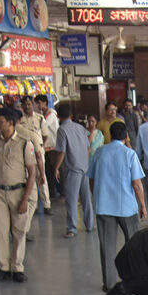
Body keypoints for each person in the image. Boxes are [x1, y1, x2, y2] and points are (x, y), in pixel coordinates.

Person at [87, 120, 148, 291]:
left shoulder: (99, 153)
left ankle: (109, 283)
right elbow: (136, 184)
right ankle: (135, 279)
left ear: (110, 135)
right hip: (126, 208)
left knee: (107, 246)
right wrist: (142, 205)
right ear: (126, 136)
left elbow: (91, 179)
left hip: (104, 206)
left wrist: (97, 195)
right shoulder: (129, 154)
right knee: (133, 245)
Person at [0, 108, 36, 283]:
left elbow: (32, 173)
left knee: (19, 231)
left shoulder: (25, 143)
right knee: (0, 231)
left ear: (10, 122)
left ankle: (17, 267)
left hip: (18, 192)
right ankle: (3, 268)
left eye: (0, 121)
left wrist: (25, 199)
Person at [53, 102, 92, 238]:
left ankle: (72, 228)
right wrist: (85, 162)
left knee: (72, 199)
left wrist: (56, 167)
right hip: (84, 167)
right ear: (71, 115)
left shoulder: (62, 130)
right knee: (86, 197)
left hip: (72, 169)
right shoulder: (81, 128)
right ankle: (89, 224)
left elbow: (62, 152)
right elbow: (88, 147)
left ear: (58, 116)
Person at [17, 97, 50, 220]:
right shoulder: (20, 120)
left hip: (39, 150)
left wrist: (42, 146)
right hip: (26, 150)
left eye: (29, 104)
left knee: (42, 177)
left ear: (33, 105)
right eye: (25, 105)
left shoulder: (40, 118)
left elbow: (45, 135)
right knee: (29, 176)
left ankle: (47, 204)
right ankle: (32, 204)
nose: (27, 107)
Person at [34, 95, 59, 197]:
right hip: (46, 148)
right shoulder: (43, 115)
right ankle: (52, 192)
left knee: (54, 170)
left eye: (40, 103)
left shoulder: (50, 115)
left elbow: (42, 127)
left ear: (45, 103)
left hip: (52, 147)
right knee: (48, 171)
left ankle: (60, 193)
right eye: (37, 104)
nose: (38, 106)